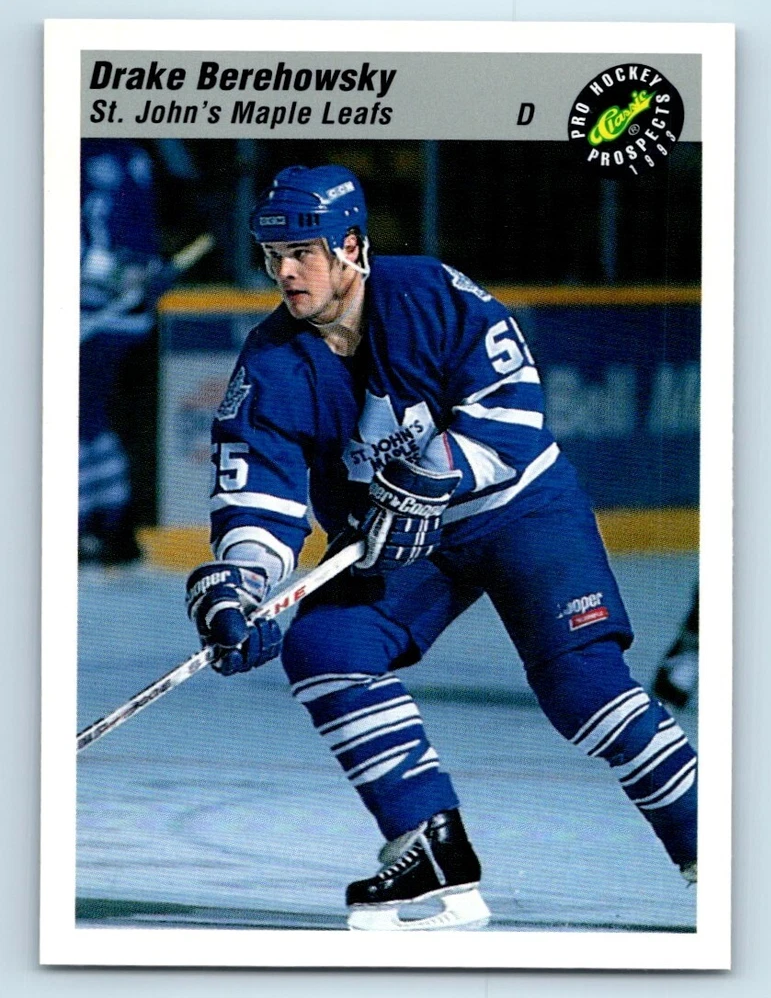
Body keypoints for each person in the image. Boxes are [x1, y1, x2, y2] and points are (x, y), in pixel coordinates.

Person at [185, 164, 698, 931]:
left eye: (303, 252)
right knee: (326, 645)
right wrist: (241, 585)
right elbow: (259, 498)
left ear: (351, 247)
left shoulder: (428, 292)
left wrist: (436, 473)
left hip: (520, 511)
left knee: (583, 687)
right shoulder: (270, 362)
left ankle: (717, 851)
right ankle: (429, 847)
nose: (285, 271)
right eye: (274, 255)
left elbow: (514, 411)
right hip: (402, 545)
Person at [79, 139, 160, 565]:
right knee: (90, 421)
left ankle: (95, 524)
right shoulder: (125, 153)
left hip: (102, 317)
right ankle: (113, 523)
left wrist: (134, 268)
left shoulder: (118, 154)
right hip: (106, 315)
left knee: (82, 420)